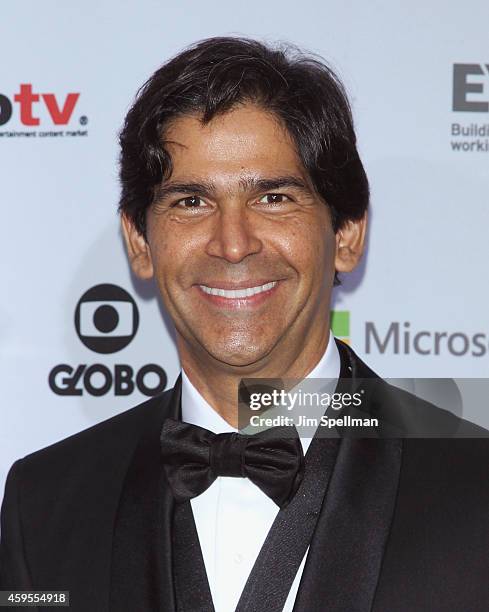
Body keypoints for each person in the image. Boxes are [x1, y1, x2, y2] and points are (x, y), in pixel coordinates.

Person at [1, 36, 489, 612]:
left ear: (347, 233)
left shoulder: (476, 489)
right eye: (191, 202)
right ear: (139, 242)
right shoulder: (45, 502)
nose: (233, 244)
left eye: (275, 198)